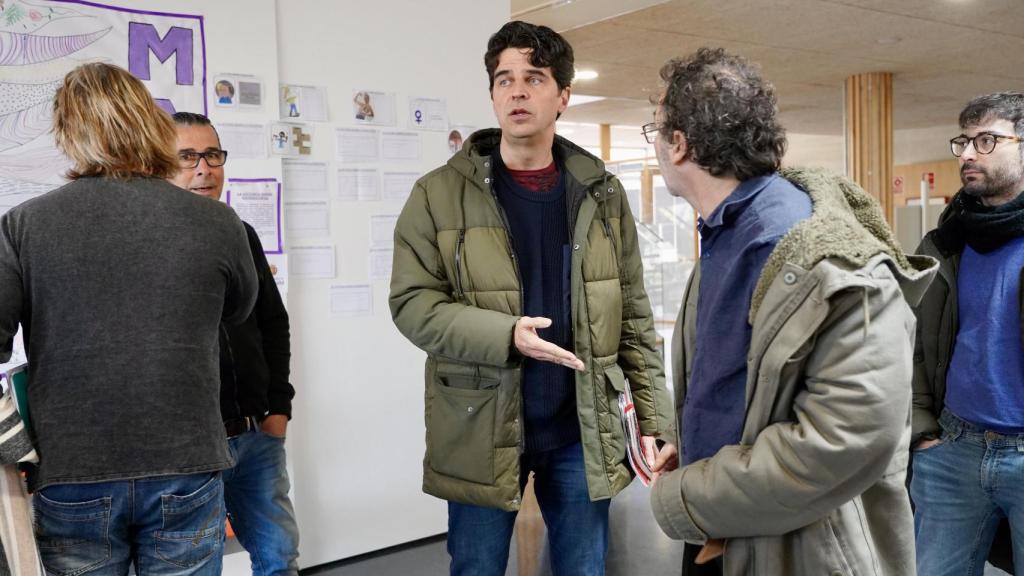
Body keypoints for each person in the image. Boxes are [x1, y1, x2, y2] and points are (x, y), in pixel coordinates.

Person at [389, 20, 676, 576]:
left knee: (583, 567)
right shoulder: (437, 193)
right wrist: (505, 335)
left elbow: (635, 318)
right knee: (475, 567)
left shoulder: (602, 192)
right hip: (479, 423)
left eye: (535, 77)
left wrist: (654, 418)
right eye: (504, 79)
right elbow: (412, 304)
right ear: (493, 93)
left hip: (580, 427)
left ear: (563, 96)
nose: (517, 91)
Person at [646, 47, 937, 575]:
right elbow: (733, 383)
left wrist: (684, 495)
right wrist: (693, 450)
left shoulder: (830, 259)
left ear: (680, 145)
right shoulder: (723, 237)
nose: (658, 147)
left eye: (657, 130)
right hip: (723, 531)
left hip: (805, 553)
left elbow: (841, 440)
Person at [0, 62, 257, 575]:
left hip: (73, 468)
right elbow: (239, 309)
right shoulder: (217, 221)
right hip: (187, 458)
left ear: (68, 132)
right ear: (149, 124)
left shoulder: (25, 224)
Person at [171, 111, 300, 576]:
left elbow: (272, 322)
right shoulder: (153, 241)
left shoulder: (241, 233)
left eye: (212, 154)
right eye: (187, 157)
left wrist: (279, 408)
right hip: (190, 449)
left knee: (279, 558)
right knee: (197, 566)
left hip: (255, 435)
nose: (203, 168)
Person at [910, 92, 1024, 576]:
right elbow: (911, 343)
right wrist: (919, 430)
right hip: (952, 450)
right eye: (964, 141)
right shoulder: (943, 243)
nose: (968, 154)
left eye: (987, 140)